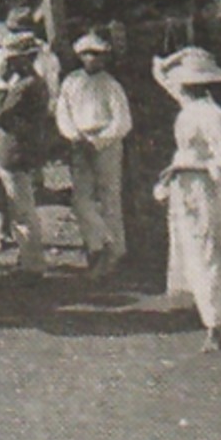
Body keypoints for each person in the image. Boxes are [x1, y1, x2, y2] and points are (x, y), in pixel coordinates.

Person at [153, 46, 221, 351]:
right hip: (184, 186)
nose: (183, 87)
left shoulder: (214, 115)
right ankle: (210, 313)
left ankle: (217, 323)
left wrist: (192, 166)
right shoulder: (188, 107)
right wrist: (178, 56)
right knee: (191, 247)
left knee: (209, 250)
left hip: (204, 188)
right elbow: (159, 72)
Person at [0, 6, 60, 252]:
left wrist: (38, 124)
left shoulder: (46, 59)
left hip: (27, 129)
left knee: (23, 184)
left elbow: (51, 94)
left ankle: (27, 241)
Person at [57, 30, 133, 276]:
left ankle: (116, 251)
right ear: (80, 56)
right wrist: (75, 137)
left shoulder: (111, 85)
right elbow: (63, 114)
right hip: (80, 141)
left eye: (98, 55)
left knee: (110, 196)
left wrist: (99, 141)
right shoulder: (71, 82)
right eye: (88, 54)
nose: (92, 59)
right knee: (82, 200)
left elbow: (123, 122)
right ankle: (96, 245)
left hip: (106, 143)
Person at [0, 33, 50, 281]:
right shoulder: (34, 82)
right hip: (20, 150)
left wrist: (1, 85)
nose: (8, 63)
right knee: (23, 206)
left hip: (14, 152)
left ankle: (33, 265)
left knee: (22, 210)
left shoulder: (23, 86)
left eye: (12, 59)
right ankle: (28, 258)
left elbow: (0, 114)